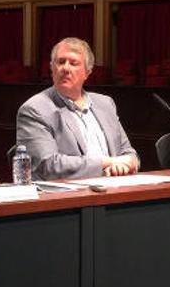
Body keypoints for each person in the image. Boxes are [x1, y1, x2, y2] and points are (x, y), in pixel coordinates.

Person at [16, 37, 139, 180]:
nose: (66, 68)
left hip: (112, 188)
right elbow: (48, 165)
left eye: (73, 63)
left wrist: (125, 164)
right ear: (52, 68)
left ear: (87, 72)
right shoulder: (35, 109)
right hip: (65, 196)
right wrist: (107, 163)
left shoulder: (105, 104)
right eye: (60, 62)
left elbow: (129, 153)